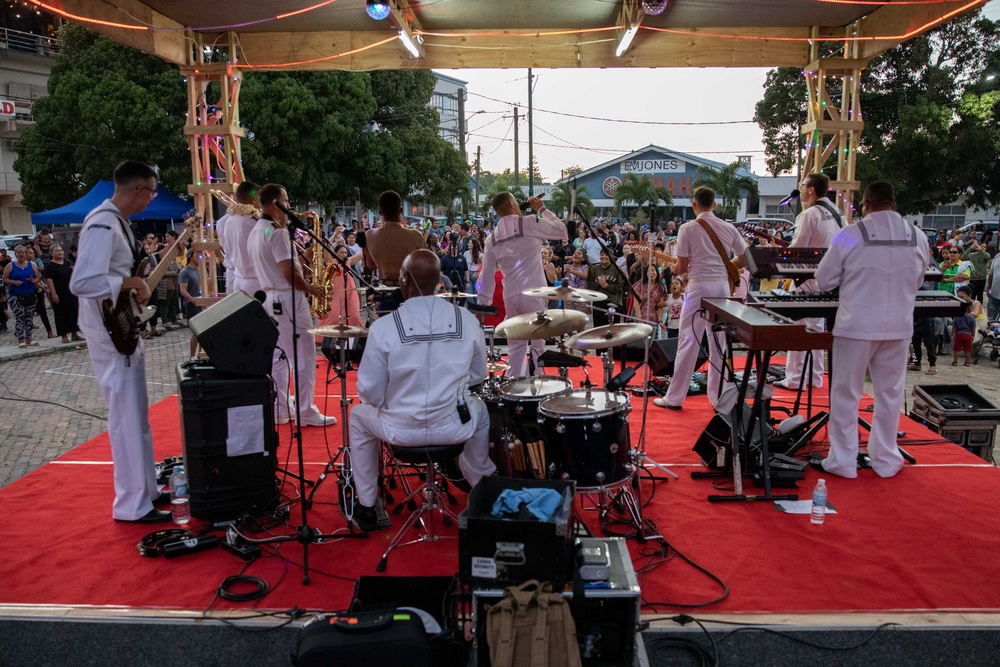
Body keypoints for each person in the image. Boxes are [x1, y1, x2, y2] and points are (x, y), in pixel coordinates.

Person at [348, 250, 495, 532]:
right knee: (480, 408)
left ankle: (367, 506)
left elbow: (370, 393)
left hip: (400, 429)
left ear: (403, 279)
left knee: (357, 416)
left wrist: (394, 401)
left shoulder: (384, 327)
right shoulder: (466, 319)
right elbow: (478, 375)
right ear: (438, 281)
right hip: (454, 428)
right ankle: (482, 487)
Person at [70, 160, 169, 522]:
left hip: (121, 326)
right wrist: (128, 284)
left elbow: (113, 276)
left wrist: (132, 287)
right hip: (108, 332)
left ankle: (146, 490)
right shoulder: (102, 223)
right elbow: (81, 283)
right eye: (152, 191)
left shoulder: (117, 223)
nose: (152, 198)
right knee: (125, 418)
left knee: (136, 415)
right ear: (140, 189)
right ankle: (131, 504)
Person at [812, 181, 929, 479]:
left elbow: (824, 280)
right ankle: (886, 459)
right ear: (893, 202)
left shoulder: (850, 235)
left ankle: (843, 460)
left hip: (857, 326)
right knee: (889, 393)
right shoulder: (916, 235)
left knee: (846, 393)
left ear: (865, 204)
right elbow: (918, 280)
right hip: (899, 326)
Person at [247, 183, 336, 427]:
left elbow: (282, 265)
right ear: (276, 204)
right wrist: (311, 288)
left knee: (279, 356)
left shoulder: (258, 230)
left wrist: (304, 257)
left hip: (270, 298)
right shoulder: (276, 232)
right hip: (288, 299)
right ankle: (305, 410)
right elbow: (288, 273)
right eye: (286, 201)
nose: (289, 206)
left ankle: (282, 408)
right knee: (304, 356)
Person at [654, 186, 747, 411]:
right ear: (714, 204)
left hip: (698, 286)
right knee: (719, 343)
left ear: (694, 205)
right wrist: (727, 268)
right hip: (722, 287)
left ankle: (675, 397)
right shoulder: (728, 227)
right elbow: (745, 258)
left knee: (688, 340)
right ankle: (719, 399)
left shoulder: (687, 228)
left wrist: (673, 266)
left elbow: (681, 267)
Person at [477, 193, 567, 377]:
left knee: (516, 347)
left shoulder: (491, 238)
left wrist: (482, 305)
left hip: (510, 295)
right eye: (516, 203)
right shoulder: (529, 222)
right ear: (511, 204)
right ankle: (538, 386)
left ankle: (514, 391)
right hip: (534, 292)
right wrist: (542, 209)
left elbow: (486, 276)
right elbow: (561, 232)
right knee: (538, 346)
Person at [776, 173, 844, 391]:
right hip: (830, 277)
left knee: (800, 326)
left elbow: (797, 250)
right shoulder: (838, 213)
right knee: (815, 327)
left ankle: (795, 379)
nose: (801, 189)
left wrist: (779, 255)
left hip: (806, 276)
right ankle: (814, 377)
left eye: (803, 185)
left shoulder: (809, 215)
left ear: (812, 189)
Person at [363, 190, 424, 311]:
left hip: (385, 291)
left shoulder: (369, 235)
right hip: (410, 292)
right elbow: (423, 266)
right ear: (401, 210)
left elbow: (369, 265)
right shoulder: (416, 235)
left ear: (380, 212)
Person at [216, 181, 262, 295]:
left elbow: (224, 245)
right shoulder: (253, 221)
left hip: (235, 277)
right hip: (254, 280)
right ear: (254, 198)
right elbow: (267, 237)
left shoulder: (226, 221)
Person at [3, 245, 42, 347]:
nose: (21, 254)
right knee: (20, 317)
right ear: (15, 254)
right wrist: (13, 282)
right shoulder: (10, 266)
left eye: (23, 252)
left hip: (30, 294)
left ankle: (29, 338)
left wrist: (33, 280)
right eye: (18, 253)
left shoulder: (31, 265)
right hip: (15, 295)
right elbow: (4, 279)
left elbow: (38, 277)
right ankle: (21, 340)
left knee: (29, 317)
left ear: (25, 254)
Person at [43, 244, 82, 343]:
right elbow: (49, 280)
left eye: (61, 250)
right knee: (61, 313)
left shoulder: (68, 262)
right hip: (59, 292)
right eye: (57, 251)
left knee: (73, 312)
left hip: (70, 292)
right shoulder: (50, 266)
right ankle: (64, 335)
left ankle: (75, 334)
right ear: (52, 253)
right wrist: (53, 293)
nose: (60, 252)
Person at [587, 248, 624, 328]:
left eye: (606, 255)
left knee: (613, 330)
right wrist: (598, 283)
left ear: (611, 256)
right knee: (598, 329)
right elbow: (589, 285)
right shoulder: (594, 269)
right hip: (598, 301)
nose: (603, 257)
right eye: (602, 254)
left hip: (613, 302)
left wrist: (607, 286)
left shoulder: (617, 269)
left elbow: (620, 287)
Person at [178, 250, 203, 361]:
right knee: (196, 332)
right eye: (198, 254)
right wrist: (193, 300)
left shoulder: (200, 270)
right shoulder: (185, 272)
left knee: (204, 331)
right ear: (191, 256)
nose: (201, 257)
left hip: (202, 303)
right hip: (192, 304)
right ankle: (192, 356)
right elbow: (183, 290)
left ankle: (200, 354)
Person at [960, 238, 990, 304]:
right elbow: (963, 258)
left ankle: (979, 308)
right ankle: (971, 307)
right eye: (981, 246)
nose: (982, 248)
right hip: (973, 278)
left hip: (982, 278)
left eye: (984, 247)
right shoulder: (972, 255)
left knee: (980, 295)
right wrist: (970, 248)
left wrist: (981, 250)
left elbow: (988, 257)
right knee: (972, 294)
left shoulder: (986, 255)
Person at [951, 301, 976, 367]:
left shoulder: (957, 317)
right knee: (968, 350)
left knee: (957, 349)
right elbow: (973, 328)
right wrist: (973, 335)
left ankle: (955, 362)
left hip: (959, 334)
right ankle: (967, 362)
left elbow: (954, 327)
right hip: (968, 335)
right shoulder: (972, 317)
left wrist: (952, 334)